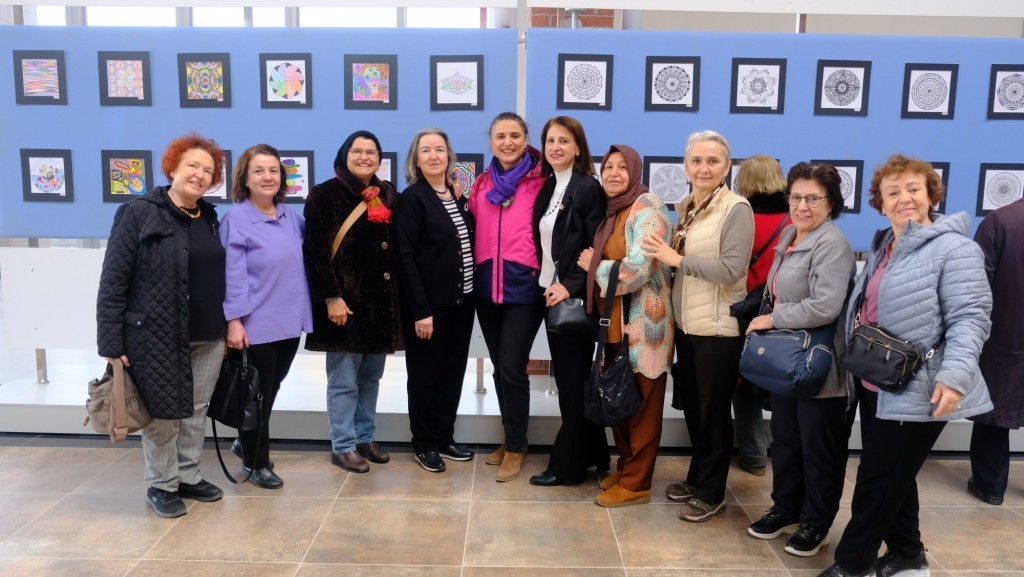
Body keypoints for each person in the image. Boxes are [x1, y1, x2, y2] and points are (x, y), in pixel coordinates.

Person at [819, 154, 993, 577]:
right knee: (896, 474)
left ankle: (852, 564)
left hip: (924, 387)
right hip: (879, 382)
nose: (904, 198)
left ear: (932, 194)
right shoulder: (884, 246)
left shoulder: (956, 249)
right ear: (880, 203)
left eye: (913, 188)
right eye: (892, 192)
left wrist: (954, 379)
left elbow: (971, 317)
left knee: (877, 480)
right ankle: (907, 555)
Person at [97, 133, 228, 518]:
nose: (200, 175)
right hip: (155, 335)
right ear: (172, 166)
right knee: (164, 413)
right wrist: (110, 340)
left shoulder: (209, 216)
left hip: (209, 332)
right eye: (193, 165)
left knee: (195, 410)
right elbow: (113, 281)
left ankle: (187, 476)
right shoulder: (138, 212)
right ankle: (161, 484)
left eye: (208, 170)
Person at [642, 130, 754, 522]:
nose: (704, 168)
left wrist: (676, 259)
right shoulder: (688, 205)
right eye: (696, 161)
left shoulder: (736, 208)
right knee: (693, 408)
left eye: (713, 161)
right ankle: (697, 477)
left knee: (713, 414)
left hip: (718, 330)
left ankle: (712, 492)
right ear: (686, 167)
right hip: (688, 329)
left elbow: (730, 269)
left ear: (727, 166)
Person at [744, 163, 855, 557]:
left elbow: (826, 306)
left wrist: (772, 318)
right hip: (789, 361)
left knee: (818, 450)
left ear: (831, 204)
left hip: (820, 367)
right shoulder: (790, 235)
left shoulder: (833, 244)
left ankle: (816, 522)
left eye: (813, 198)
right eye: (796, 196)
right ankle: (786, 508)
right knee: (787, 442)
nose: (802, 205)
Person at [578, 144, 674, 507]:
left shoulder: (648, 208)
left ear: (635, 172)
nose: (614, 174)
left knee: (644, 408)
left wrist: (595, 266)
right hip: (617, 324)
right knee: (621, 397)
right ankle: (627, 467)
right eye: (608, 168)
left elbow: (637, 270)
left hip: (646, 325)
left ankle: (637, 484)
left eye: (622, 167)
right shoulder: (614, 211)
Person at [303, 130, 401, 474]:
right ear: (345, 155)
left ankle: (364, 435)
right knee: (343, 380)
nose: (364, 157)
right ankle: (342, 443)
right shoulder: (324, 194)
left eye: (371, 151)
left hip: (378, 307)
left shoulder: (387, 193)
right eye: (357, 151)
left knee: (371, 379)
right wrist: (331, 298)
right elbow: (315, 252)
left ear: (379, 157)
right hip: (344, 306)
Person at [220, 144, 313, 489]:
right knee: (256, 397)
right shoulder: (237, 220)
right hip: (255, 326)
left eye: (273, 170)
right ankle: (256, 463)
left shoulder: (291, 218)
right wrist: (234, 321)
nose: (267, 177)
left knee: (269, 391)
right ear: (244, 177)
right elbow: (232, 275)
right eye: (258, 170)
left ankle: (244, 440)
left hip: (290, 322)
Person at [529, 116, 610, 487]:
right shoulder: (548, 186)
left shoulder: (587, 187)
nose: (556, 147)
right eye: (550, 141)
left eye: (564, 141)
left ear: (579, 147)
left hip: (569, 299)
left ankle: (569, 466)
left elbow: (596, 244)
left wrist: (571, 284)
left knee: (572, 383)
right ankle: (595, 455)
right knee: (572, 381)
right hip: (548, 293)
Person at [469, 112, 547, 482]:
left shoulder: (540, 181)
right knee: (501, 368)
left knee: (514, 368)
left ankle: (516, 447)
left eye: (515, 135)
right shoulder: (481, 183)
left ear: (526, 137)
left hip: (524, 288)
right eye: (500, 136)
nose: (508, 142)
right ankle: (511, 438)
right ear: (490, 141)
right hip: (487, 289)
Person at [393, 128, 476, 473]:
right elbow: (405, 257)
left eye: (439, 149)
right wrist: (421, 311)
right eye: (425, 150)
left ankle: (444, 436)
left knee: (452, 373)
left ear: (449, 156)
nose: (433, 155)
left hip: (462, 303)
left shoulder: (457, 195)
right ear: (416, 159)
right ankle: (425, 442)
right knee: (426, 376)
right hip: (431, 308)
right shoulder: (413, 198)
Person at [733, 154, 790, 477]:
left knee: (745, 386)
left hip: (746, 309)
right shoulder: (795, 218)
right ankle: (782, 458)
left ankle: (754, 455)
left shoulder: (743, 216)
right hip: (784, 311)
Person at [968, 197, 1024, 507]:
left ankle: (990, 486)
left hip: (1004, 335)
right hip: (1007, 333)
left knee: (994, 411)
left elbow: (978, 284)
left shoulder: (1000, 220)